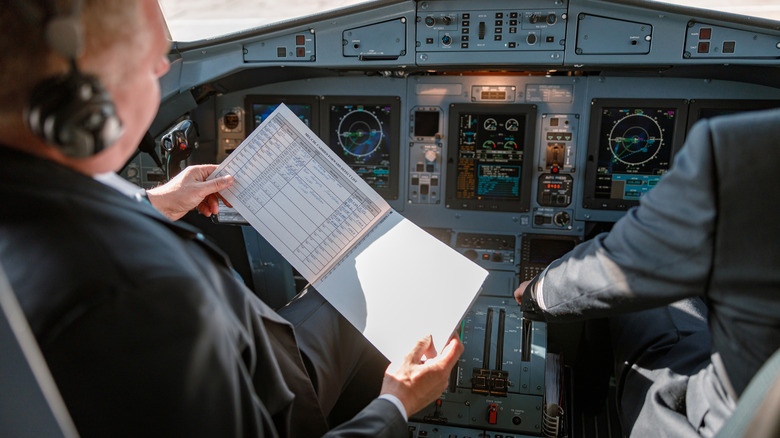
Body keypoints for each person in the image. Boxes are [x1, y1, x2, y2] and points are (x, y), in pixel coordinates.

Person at [0, 1, 463, 436]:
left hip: (248, 356)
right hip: (268, 397)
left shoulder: (31, 209)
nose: (165, 68)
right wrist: (395, 405)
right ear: (78, 104)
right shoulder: (141, 295)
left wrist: (152, 202)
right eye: (147, 59)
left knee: (339, 298)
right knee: (366, 294)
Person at [515, 107, 780, 437]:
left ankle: (590, 399)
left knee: (644, 298)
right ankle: (589, 400)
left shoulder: (747, 147)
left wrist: (535, 294)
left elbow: (621, 267)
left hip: (718, 421)